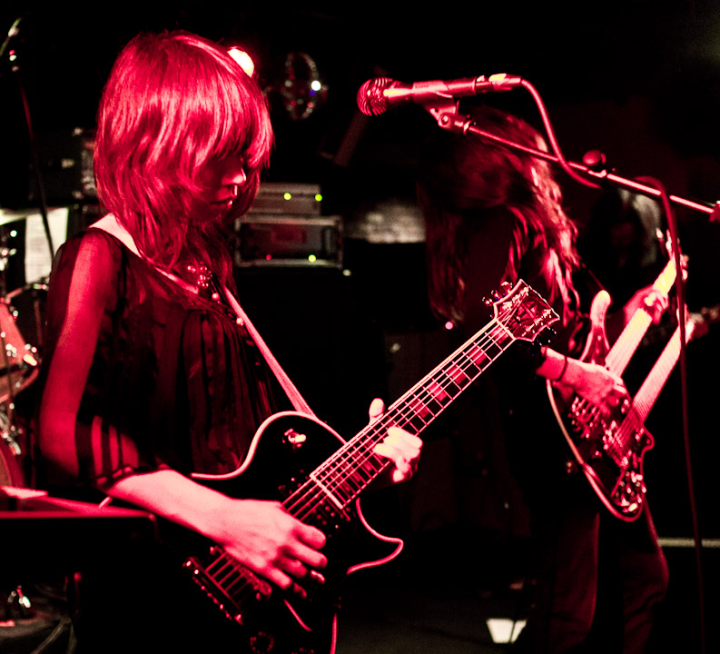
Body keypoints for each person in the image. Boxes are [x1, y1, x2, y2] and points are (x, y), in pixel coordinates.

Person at [35, 30, 422, 653]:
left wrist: (357, 457)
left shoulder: (206, 263)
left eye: (248, 157)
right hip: (153, 600)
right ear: (155, 143)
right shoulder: (97, 257)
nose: (243, 177)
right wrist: (225, 520)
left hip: (241, 603)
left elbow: (236, 445)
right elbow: (60, 431)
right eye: (223, 156)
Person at [416, 105, 669, 652]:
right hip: (554, 437)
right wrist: (575, 374)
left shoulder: (537, 224)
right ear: (502, 155)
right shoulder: (504, 222)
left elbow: (570, 328)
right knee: (566, 614)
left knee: (641, 579)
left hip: (590, 433)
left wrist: (625, 313)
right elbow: (485, 336)